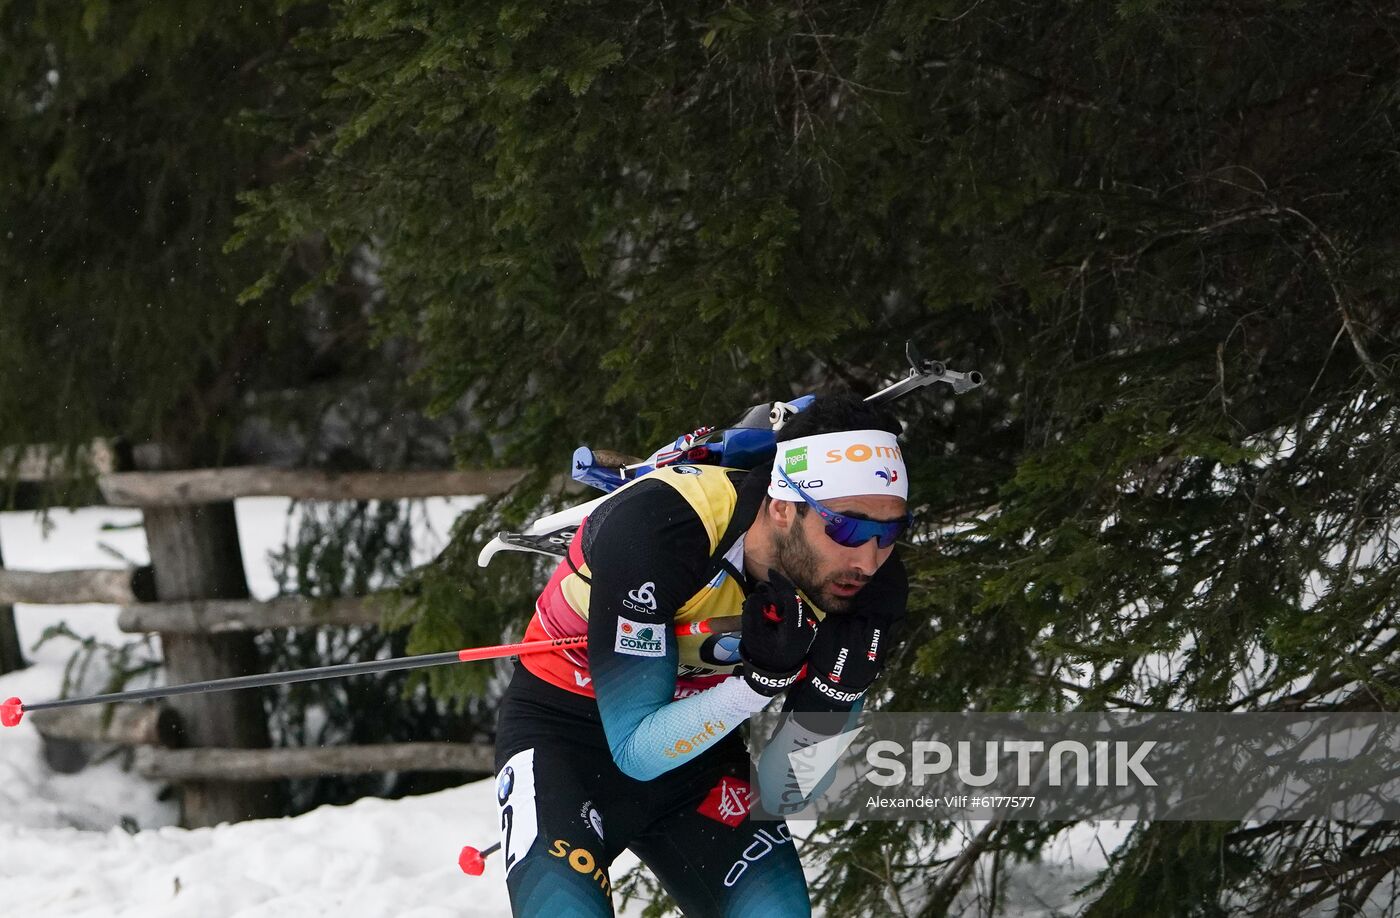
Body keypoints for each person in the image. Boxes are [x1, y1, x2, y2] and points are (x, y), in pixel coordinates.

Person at [492, 393, 910, 916]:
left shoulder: (862, 586)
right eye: (847, 527)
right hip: (562, 736)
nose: (868, 558)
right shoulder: (664, 525)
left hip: (698, 757)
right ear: (783, 506)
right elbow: (637, 751)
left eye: (890, 531)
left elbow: (787, 789)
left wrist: (836, 695)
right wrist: (759, 684)